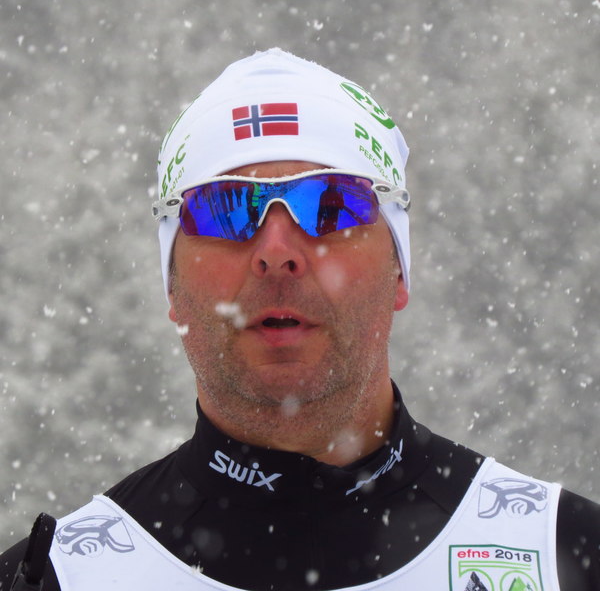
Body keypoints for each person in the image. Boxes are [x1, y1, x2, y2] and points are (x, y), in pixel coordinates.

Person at [1, 48, 598, 591]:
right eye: (225, 208)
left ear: (398, 270)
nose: (276, 251)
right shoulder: (60, 576)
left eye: (331, 205)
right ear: (173, 286)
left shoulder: (564, 555)